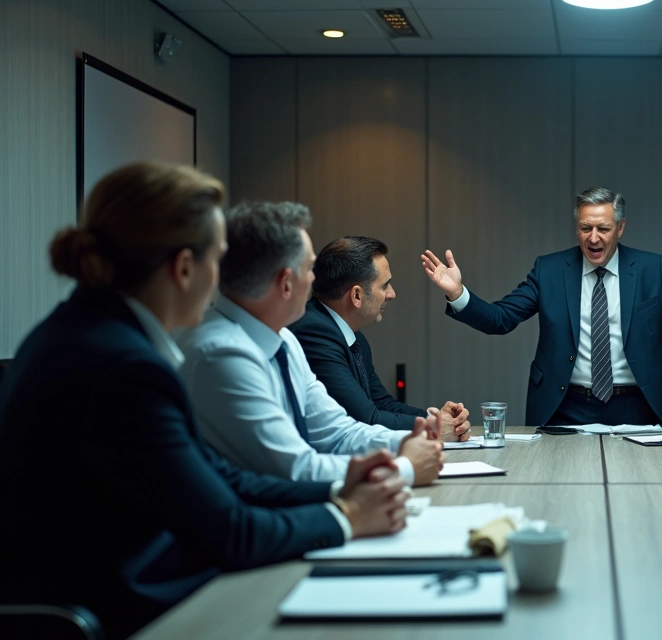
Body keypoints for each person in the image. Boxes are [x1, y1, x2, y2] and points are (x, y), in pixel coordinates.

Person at [0, 163, 407, 638]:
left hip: (124, 587)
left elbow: (219, 477)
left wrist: (339, 488)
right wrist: (348, 516)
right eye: (218, 259)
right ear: (185, 268)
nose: (225, 279)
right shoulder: (123, 366)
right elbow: (230, 531)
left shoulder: (85, 334)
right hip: (125, 610)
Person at [421, 187, 662, 426]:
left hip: (639, 406)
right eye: (585, 228)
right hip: (565, 407)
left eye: (603, 228)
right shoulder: (550, 270)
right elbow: (501, 319)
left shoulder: (650, 269)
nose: (593, 238)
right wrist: (458, 293)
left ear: (620, 228)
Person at [178, 201, 445, 486]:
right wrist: (404, 468)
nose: (315, 281)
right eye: (308, 268)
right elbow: (293, 468)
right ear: (286, 283)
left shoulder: (284, 340)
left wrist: (416, 438)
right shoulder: (222, 354)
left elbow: (338, 433)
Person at [291, 235, 469, 439]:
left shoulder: (352, 337)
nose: (392, 294)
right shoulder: (314, 333)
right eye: (385, 286)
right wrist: (434, 427)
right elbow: (366, 418)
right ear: (356, 295)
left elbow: (382, 403)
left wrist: (439, 419)